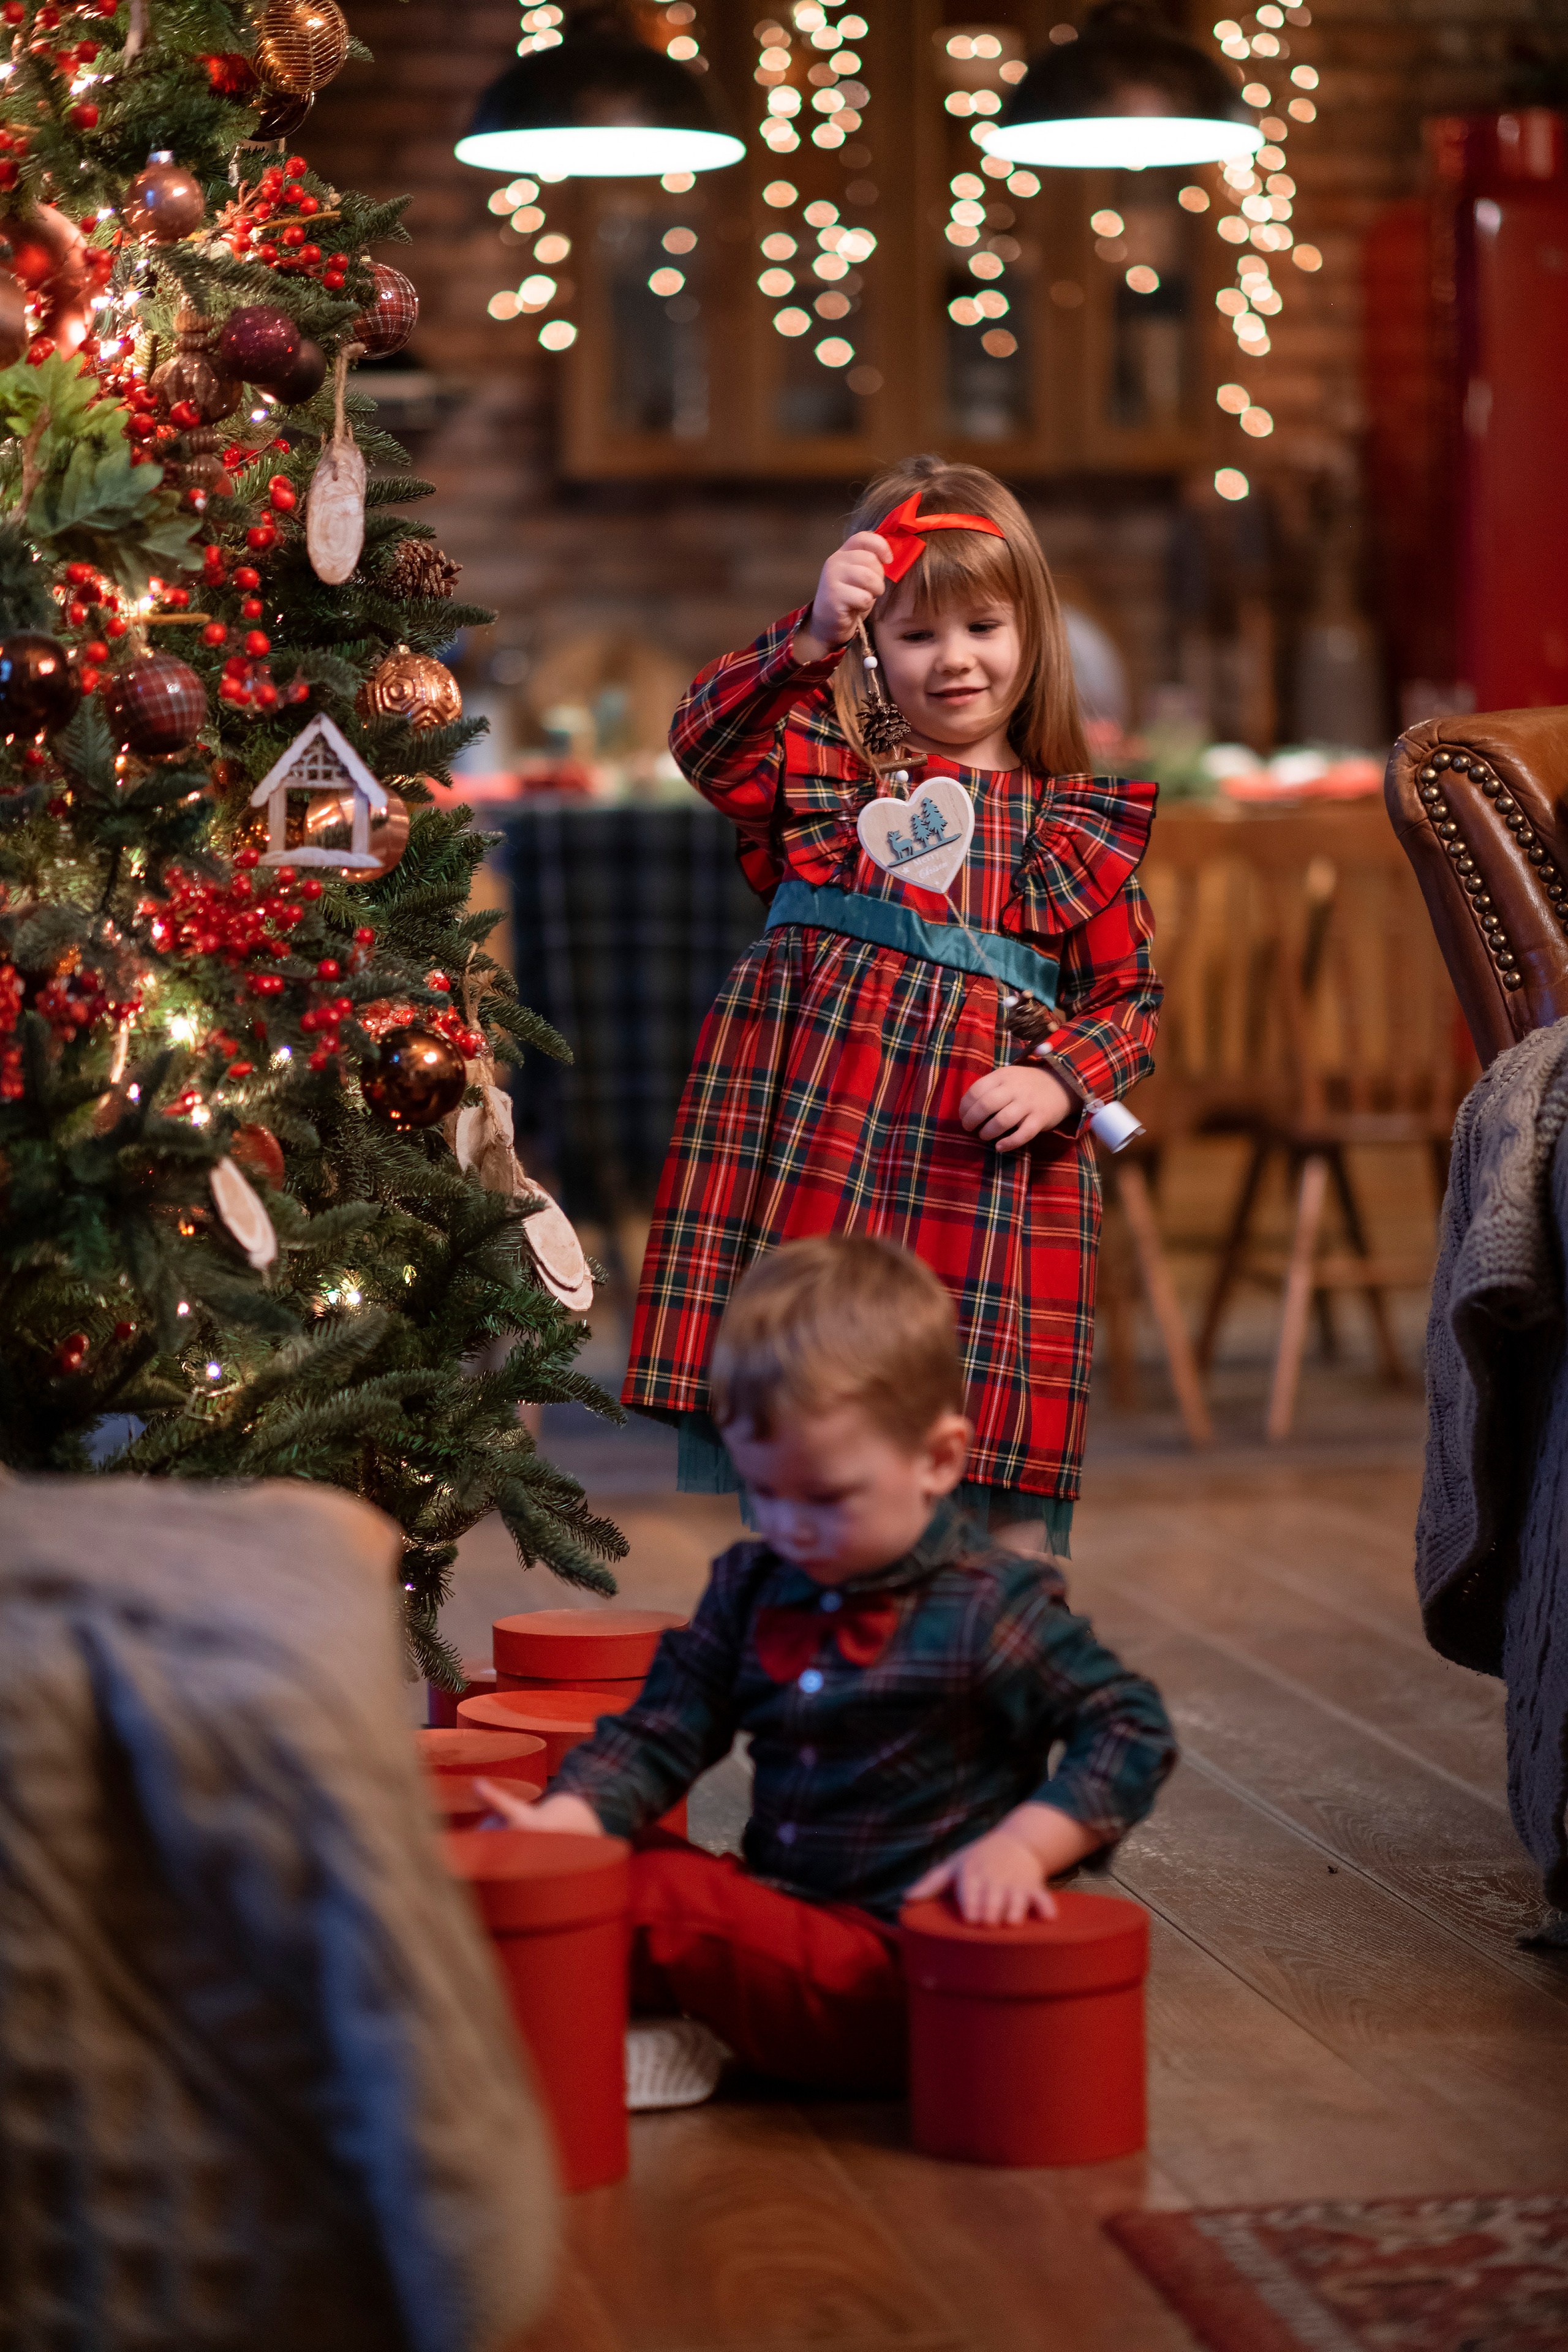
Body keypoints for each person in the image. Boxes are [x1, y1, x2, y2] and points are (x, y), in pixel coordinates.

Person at [479, 1234, 1176, 2105]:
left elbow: (1130, 1726)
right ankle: (661, 2015)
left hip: (902, 1970)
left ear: (939, 1461)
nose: (791, 1526)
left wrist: (1025, 1847)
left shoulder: (991, 1605)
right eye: (766, 1492)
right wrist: (574, 1821)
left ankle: (616, 2018)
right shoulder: (753, 1586)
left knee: (655, 1896)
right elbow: (664, 1729)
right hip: (787, 1912)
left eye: (828, 1498)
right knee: (589, 1855)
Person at [622, 453, 1161, 1560]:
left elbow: (1131, 999)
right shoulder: (822, 773)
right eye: (917, 636)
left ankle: (1002, 1666)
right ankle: (820, 1654)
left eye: (983, 628)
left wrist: (1061, 1077)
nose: (955, 661)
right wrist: (806, 636)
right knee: (819, 1406)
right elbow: (701, 742)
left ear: (1032, 632)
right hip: (818, 1146)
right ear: (872, 644)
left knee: (978, 1435)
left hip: (979, 1168)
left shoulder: (1072, 824)